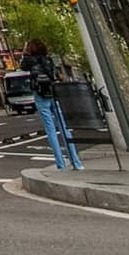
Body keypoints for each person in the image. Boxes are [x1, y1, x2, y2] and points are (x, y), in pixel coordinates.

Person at [22, 39, 82, 171]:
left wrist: (25, 52)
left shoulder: (29, 60)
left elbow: (23, 66)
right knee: (64, 127)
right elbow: (57, 75)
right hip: (53, 93)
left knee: (50, 130)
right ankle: (76, 162)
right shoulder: (48, 60)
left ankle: (60, 164)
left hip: (40, 95)